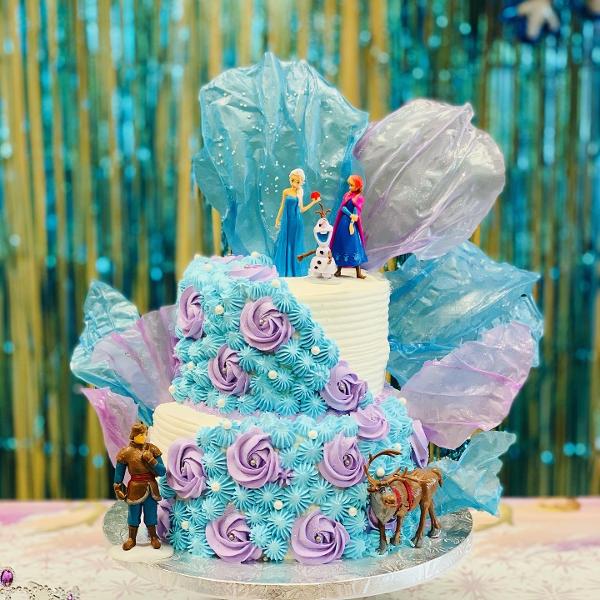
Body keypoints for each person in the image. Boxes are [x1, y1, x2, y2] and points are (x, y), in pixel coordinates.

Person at [113, 422, 166, 551]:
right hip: (134, 488)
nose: (144, 437)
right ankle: (132, 538)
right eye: (141, 435)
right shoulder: (126, 453)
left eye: (145, 434)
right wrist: (117, 488)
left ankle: (153, 537)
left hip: (151, 487)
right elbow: (119, 473)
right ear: (134, 435)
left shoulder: (152, 449)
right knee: (133, 514)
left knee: (151, 513)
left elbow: (162, 471)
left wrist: (152, 460)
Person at [273, 168, 319, 276]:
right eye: (292, 180)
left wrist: (313, 202)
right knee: (285, 242)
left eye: (297, 182)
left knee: (295, 243)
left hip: (296, 222)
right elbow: (282, 206)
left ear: (301, 182)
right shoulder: (286, 191)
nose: (294, 183)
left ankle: (294, 269)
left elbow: (302, 209)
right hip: (286, 221)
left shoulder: (300, 193)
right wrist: (277, 218)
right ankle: (285, 269)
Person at [330, 175, 368, 279]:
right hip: (343, 223)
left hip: (352, 224)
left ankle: (358, 272)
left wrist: (353, 218)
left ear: (357, 187)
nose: (349, 187)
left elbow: (357, 210)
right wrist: (350, 214)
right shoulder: (347, 195)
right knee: (341, 243)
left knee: (354, 245)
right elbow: (342, 208)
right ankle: (338, 270)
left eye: (352, 185)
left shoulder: (359, 198)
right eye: (349, 185)